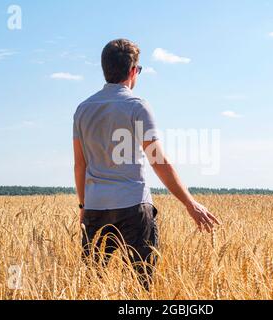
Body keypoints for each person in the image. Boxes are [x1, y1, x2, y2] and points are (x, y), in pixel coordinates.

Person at [73, 39, 221, 290]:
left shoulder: (83, 109)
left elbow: (80, 165)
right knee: (143, 285)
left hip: (96, 208)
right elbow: (158, 160)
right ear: (132, 71)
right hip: (133, 207)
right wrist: (189, 203)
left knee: (92, 287)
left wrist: (84, 205)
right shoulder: (137, 106)